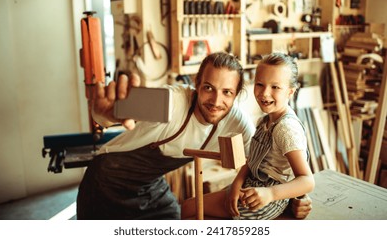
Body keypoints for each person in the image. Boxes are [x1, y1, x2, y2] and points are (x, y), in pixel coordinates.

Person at [76, 52, 312, 220]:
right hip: (106, 183)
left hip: (148, 187)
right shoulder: (172, 102)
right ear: (196, 84)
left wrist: (294, 199)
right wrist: (103, 112)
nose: (216, 101)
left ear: (237, 95)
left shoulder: (236, 122)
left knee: (176, 218)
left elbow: (264, 165)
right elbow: (110, 114)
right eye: (208, 88)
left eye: (227, 92)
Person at [181, 53, 315, 220]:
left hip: (266, 197)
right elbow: (252, 161)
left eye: (275, 87)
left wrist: (271, 193)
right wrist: (236, 183)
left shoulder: (286, 128)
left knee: (191, 212)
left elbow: (307, 181)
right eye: (260, 84)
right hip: (251, 184)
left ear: (290, 92)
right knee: (187, 208)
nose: (265, 93)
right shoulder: (264, 121)